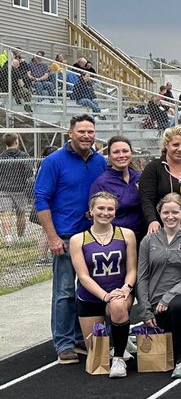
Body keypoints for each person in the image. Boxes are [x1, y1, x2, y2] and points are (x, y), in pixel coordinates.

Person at [34, 114, 107, 363]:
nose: (86, 136)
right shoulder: (54, 161)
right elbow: (41, 200)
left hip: (92, 237)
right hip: (64, 237)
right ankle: (63, 342)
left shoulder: (100, 161)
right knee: (64, 292)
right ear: (70, 133)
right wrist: (52, 237)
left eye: (90, 131)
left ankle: (80, 338)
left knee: (86, 291)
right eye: (81, 132)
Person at [137, 193, 181, 378]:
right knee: (168, 332)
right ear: (159, 213)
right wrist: (144, 308)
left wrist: (169, 296)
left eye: (175, 212)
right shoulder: (148, 241)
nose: (170, 216)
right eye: (166, 212)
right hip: (156, 300)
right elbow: (142, 277)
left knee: (177, 307)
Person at [69, 191, 138, 378]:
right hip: (90, 295)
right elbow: (83, 276)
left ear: (115, 212)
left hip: (118, 293)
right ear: (91, 210)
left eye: (110, 209)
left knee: (117, 306)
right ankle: (120, 339)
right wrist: (104, 296)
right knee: (96, 351)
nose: (105, 213)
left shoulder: (126, 235)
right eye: (100, 208)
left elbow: (132, 269)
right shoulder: (78, 240)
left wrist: (125, 289)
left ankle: (119, 359)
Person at [89, 136, 145, 241]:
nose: (121, 155)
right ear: (109, 156)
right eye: (116, 152)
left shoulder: (140, 177)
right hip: (116, 240)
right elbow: (95, 216)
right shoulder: (102, 183)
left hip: (143, 238)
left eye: (125, 151)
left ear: (131, 153)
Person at [0, 132, 35, 244]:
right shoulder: (24, 156)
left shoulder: (2, 157)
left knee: (6, 213)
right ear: (16, 141)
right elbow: (29, 172)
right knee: (21, 213)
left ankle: (8, 238)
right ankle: (20, 237)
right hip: (21, 189)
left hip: (4, 189)